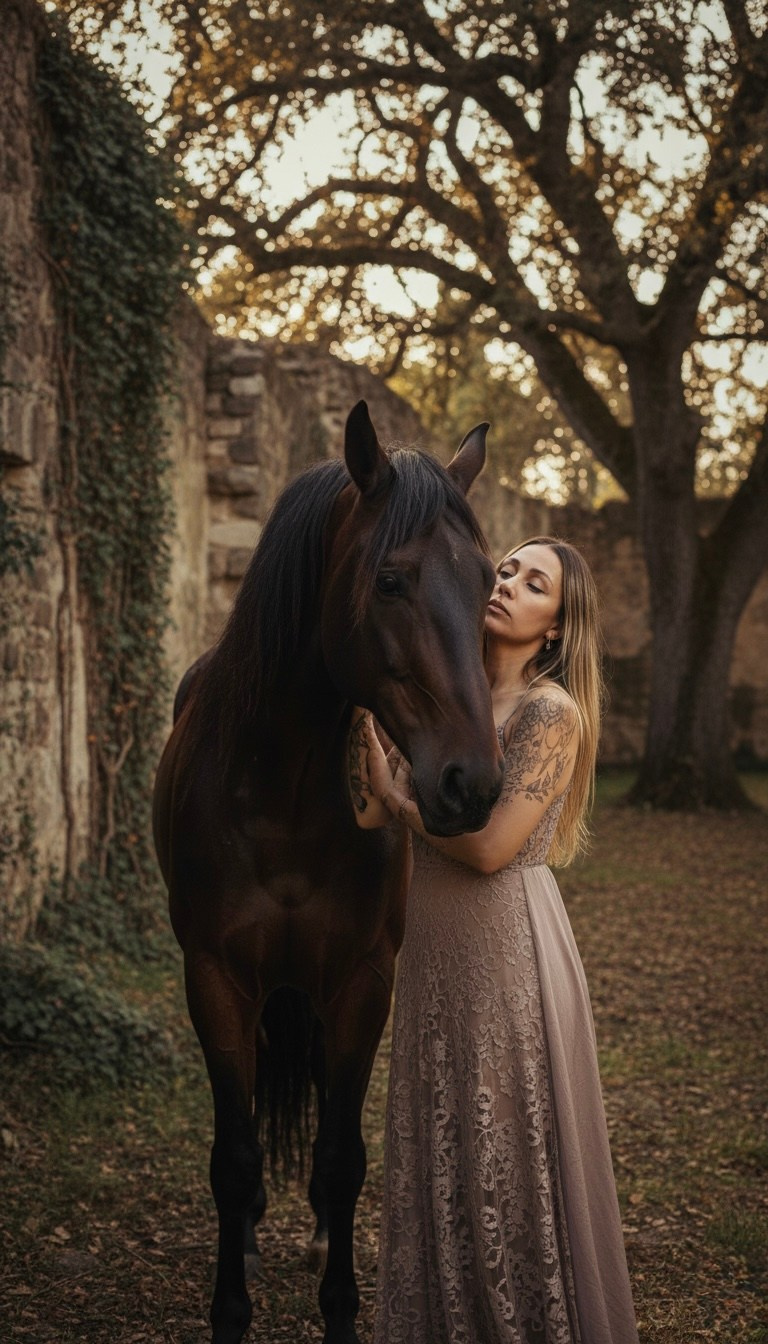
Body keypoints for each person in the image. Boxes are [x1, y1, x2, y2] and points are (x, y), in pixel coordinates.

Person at [351, 537, 639, 1344]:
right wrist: (368, 732)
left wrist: (402, 801)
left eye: (534, 582)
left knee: (504, 1154)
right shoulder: (452, 697)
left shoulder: (553, 713)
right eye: (506, 569)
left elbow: (486, 849)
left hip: (507, 941)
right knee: (439, 1141)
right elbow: (370, 814)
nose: (509, 584)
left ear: (555, 626)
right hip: (434, 945)